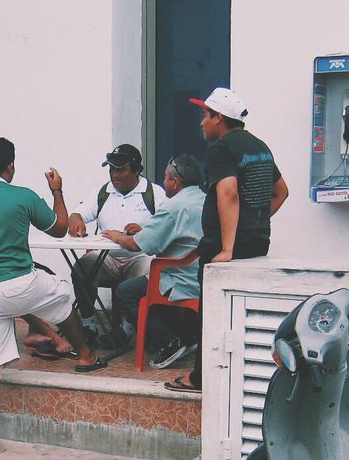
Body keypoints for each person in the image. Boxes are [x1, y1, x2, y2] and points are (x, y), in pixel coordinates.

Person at [0, 137, 105, 455]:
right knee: (62, 294)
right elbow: (59, 229)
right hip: (21, 284)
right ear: (10, 166)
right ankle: (84, 355)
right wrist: (57, 190)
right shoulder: (22, 196)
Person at [165, 88, 289, 393]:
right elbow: (281, 192)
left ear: (218, 118)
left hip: (226, 248)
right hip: (257, 243)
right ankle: (234, 378)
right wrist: (255, 224)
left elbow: (228, 192)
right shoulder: (259, 146)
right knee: (241, 315)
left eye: (205, 117)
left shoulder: (221, 148)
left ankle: (200, 379)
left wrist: (227, 247)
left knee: (212, 315)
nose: (202, 124)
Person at [102, 154, 205, 369]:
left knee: (126, 292)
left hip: (179, 278)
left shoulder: (173, 207)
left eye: (166, 178)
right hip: (201, 274)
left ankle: (170, 342)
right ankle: (187, 335)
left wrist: (116, 235)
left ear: (175, 182)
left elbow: (137, 245)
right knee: (143, 285)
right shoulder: (204, 199)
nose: (164, 182)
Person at [67, 144, 164, 339]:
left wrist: (144, 230)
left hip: (139, 256)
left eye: (121, 169)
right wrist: (77, 223)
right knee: (81, 268)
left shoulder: (154, 193)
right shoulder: (103, 192)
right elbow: (77, 214)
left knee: (147, 271)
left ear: (136, 170)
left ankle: (127, 328)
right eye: (111, 169)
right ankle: (88, 324)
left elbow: (167, 227)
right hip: (108, 258)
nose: (115, 174)